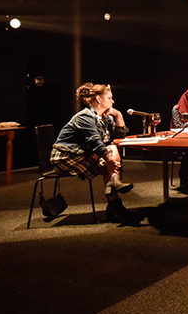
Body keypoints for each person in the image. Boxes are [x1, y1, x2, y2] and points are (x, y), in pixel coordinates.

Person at [50, 83, 138, 225]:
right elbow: (96, 143)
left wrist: (118, 115)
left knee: (112, 151)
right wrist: (109, 161)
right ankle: (116, 203)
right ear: (98, 99)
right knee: (111, 152)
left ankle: (114, 202)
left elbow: (120, 136)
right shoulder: (84, 117)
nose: (113, 101)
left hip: (84, 154)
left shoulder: (105, 117)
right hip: (66, 156)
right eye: (109, 98)